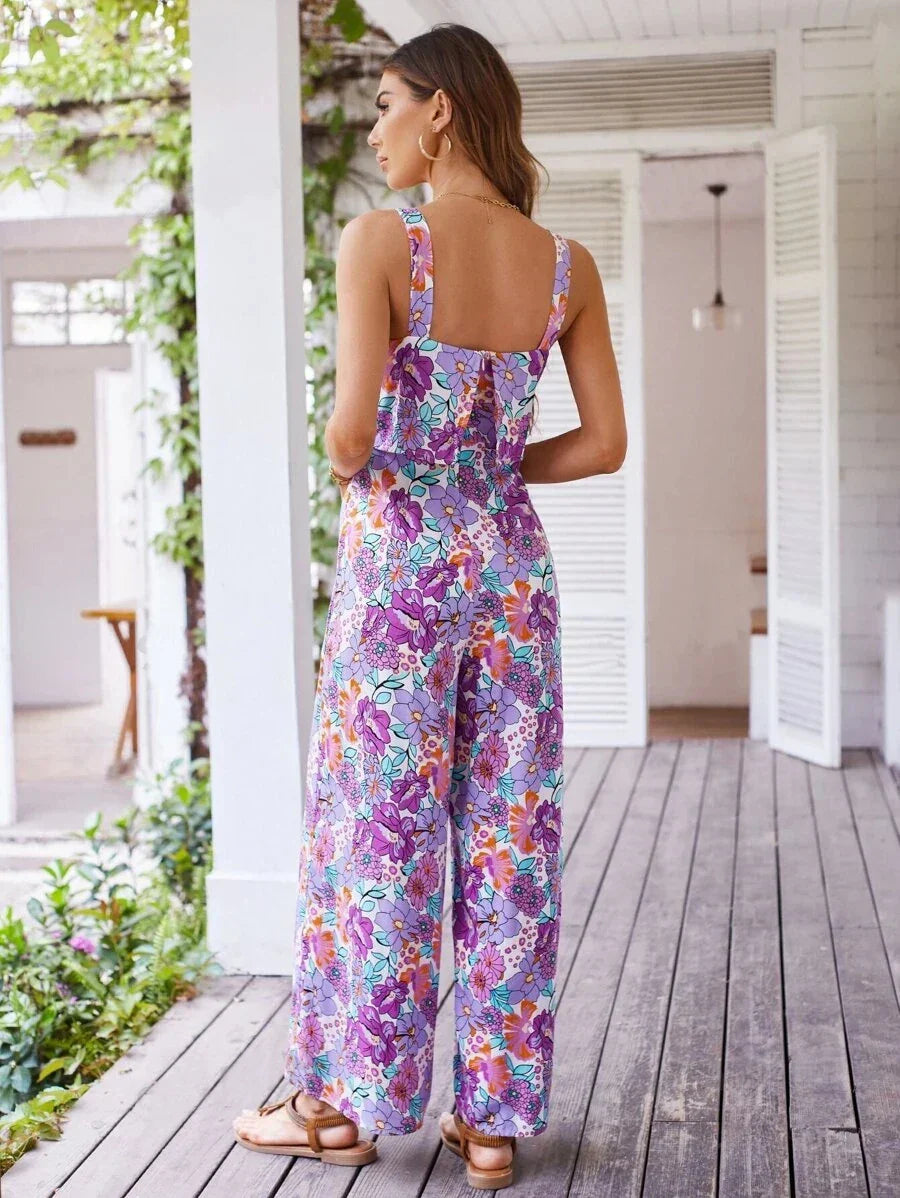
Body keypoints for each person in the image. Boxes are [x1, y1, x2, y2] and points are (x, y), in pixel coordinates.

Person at [233, 21, 626, 1190]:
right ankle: (491, 1124)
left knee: (377, 832)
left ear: (439, 109)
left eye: (386, 104)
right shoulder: (566, 265)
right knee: (509, 838)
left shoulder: (383, 241)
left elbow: (351, 436)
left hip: (404, 575)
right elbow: (604, 444)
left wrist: (383, 458)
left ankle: (337, 1106)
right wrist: (490, 468)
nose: (375, 130)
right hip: (512, 574)